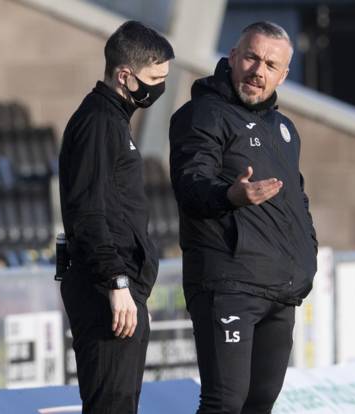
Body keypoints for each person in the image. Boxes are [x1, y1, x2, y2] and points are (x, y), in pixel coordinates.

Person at [169, 21, 318, 414]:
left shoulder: (284, 130)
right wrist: (230, 195)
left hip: (280, 290)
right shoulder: (203, 114)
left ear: (284, 75)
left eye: (271, 64)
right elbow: (190, 185)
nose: (258, 71)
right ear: (233, 56)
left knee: (260, 403)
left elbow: (298, 202)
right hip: (229, 283)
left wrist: (307, 258)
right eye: (252, 57)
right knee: (224, 403)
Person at [58, 21, 174, 414]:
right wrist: (117, 281)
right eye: (155, 78)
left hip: (119, 290)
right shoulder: (99, 123)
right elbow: (88, 213)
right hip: (106, 291)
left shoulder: (113, 121)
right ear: (125, 75)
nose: (160, 88)